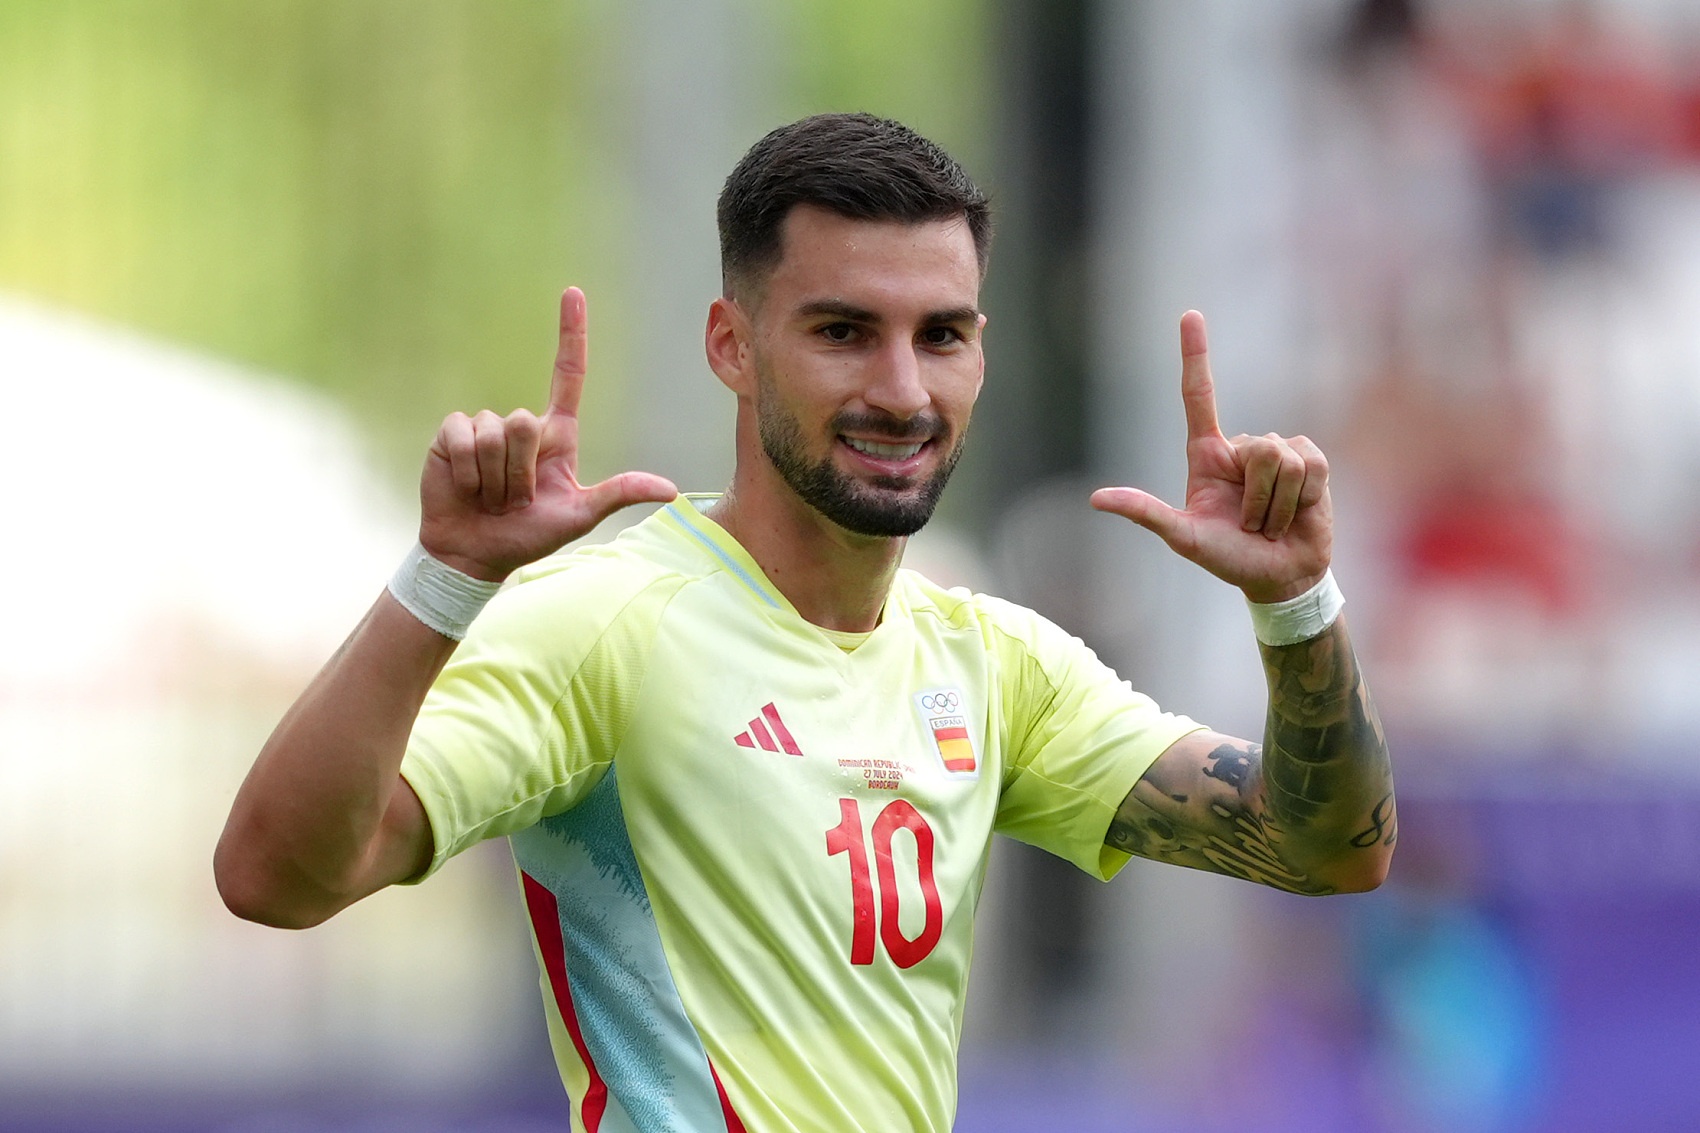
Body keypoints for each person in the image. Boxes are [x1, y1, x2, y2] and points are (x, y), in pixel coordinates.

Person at [215, 112, 1394, 1132]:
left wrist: (1295, 602)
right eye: (842, 331)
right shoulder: (607, 621)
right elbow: (275, 874)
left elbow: (1327, 848)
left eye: (940, 334)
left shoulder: (991, 662)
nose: (901, 390)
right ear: (732, 346)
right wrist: (445, 579)